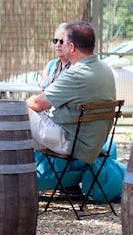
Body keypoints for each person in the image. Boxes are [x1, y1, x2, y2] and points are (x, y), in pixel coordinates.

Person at [26, 21, 117, 163]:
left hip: (73, 143)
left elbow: (38, 104)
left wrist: (24, 102)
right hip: (95, 142)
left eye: (64, 42)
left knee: (20, 111)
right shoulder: (106, 69)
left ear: (72, 47)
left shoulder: (75, 75)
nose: (60, 45)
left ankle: (15, 170)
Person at [40, 24, 71, 89]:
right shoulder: (51, 65)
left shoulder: (76, 66)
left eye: (62, 41)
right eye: (55, 41)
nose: (58, 45)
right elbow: (43, 88)